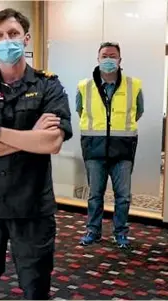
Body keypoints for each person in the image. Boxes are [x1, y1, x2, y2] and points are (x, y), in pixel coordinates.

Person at [0, 8, 72, 300]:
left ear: (26, 38)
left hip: (32, 206)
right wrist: (32, 136)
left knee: (36, 289)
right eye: (0, 36)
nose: (7, 41)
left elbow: (52, 143)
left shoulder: (48, 86)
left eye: (14, 34)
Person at [76, 42, 144, 249]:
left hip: (122, 149)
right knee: (95, 195)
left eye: (112, 56)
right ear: (97, 59)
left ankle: (120, 233)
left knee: (123, 196)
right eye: (104, 55)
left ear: (120, 60)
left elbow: (138, 112)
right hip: (94, 149)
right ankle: (93, 231)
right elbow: (80, 111)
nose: (108, 60)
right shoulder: (84, 86)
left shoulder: (134, 85)